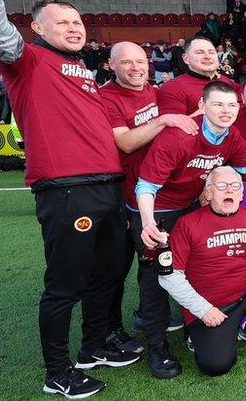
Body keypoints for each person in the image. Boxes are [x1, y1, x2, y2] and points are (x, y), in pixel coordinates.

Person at [0, 0, 135, 398]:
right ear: (38, 29)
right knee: (65, 286)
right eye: (61, 22)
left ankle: (95, 346)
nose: (73, 28)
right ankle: (57, 372)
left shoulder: (81, 69)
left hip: (108, 184)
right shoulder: (26, 59)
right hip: (66, 189)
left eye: (78, 21)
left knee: (107, 274)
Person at [134, 82, 246, 376]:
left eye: (232, 106)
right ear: (203, 107)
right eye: (218, 105)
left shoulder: (232, 136)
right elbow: (146, 186)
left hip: (193, 201)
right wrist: (147, 222)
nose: (226, 111)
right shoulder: (180, 136)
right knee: (155, 279)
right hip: (157, 206)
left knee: (201, 255)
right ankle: (158, 348)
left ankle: (218, 323)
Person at [98, 42, 200, 375]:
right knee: (150, 271)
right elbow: (125, 142)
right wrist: (166, 120)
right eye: (126, 63)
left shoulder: (156, 92)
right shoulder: (108, 97)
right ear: (111, 65)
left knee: (168, 267)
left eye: (140, 61)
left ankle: (149, 317)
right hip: (134, 197)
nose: (135, 67)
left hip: (172, 196)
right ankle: (155, 346)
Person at [160, 167, 246, 376]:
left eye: (236, 187)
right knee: (216, 365)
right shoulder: (187, 224)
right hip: (211, 306)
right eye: (222, 186)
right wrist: (203, 310)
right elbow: (168, 277)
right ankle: (198, 335)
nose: (229, 191)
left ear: (242, 193)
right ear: (207, 193)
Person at [157, 37, 241, 116]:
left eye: (211, 52)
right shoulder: (172, 88)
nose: (207, 57)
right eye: (200, 52)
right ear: (186, 58)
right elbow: (171, 128)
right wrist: (204, 114)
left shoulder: (226, 81)